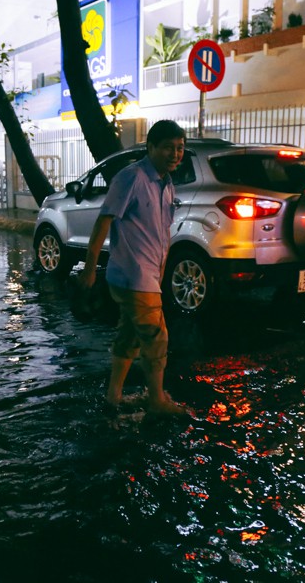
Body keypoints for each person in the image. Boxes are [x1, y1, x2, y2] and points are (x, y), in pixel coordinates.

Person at [77, 119, 187, 414]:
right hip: (133, 274)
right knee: (156, 337)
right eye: (167, 148)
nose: (175, 154)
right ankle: (157, 401)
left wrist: (161, 272)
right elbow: (104, 220)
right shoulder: (132, 177)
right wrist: (89, 269)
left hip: (148, 275)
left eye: (179, 148)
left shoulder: (166, 183)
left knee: (129, 336)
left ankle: (113, 396)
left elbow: (160, 232)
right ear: (150, 147)